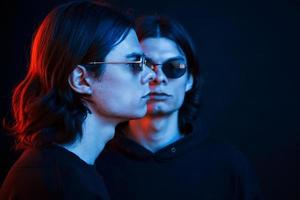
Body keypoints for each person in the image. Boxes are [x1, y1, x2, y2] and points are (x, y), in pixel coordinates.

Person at [0, 1, 155, 199]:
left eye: (144, 62)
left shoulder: (68, 172)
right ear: (81, 80)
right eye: (134, 63)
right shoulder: (54, 183)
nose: (151, 74)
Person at [96, 15, 263, 200]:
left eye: (174, 66)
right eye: (143, 65)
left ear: (190, 79)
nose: (157, 77)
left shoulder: (228, 165)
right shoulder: (93, 162)